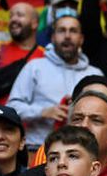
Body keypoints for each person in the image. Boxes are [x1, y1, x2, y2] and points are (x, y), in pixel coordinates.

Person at [7, 15, 102, 149]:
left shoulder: (94, 74)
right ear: (52, 38)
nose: (67, 36)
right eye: (61, 30)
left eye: (73, 31)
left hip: (83, 151)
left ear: (81, 39)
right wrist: (42, 112)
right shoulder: (34, 67)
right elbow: (12, 108)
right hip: (37, 148)